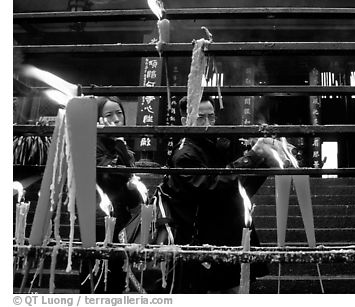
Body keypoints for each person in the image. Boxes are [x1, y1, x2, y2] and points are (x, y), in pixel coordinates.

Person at [153, 95, 269, 293]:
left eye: (211, 117)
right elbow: (213, 188)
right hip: (206, 239)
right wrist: (250, 160)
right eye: (200, 118)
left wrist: (264, 160)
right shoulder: (185, 154)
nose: (208, 123)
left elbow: (238, 189)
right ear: (185, 121)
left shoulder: (212, 145)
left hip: (227, 234)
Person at [81, 96, 147, 293]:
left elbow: (129, 187)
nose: (117, 119)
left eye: (119, 113)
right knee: (95, 275)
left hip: (121, 221)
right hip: (98, 221)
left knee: (116, 278)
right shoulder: (92, 144)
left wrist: (132, 188)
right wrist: (119, 143)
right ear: (98, 119)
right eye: (109, 115)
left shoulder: (123, 148)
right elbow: (109, 176)